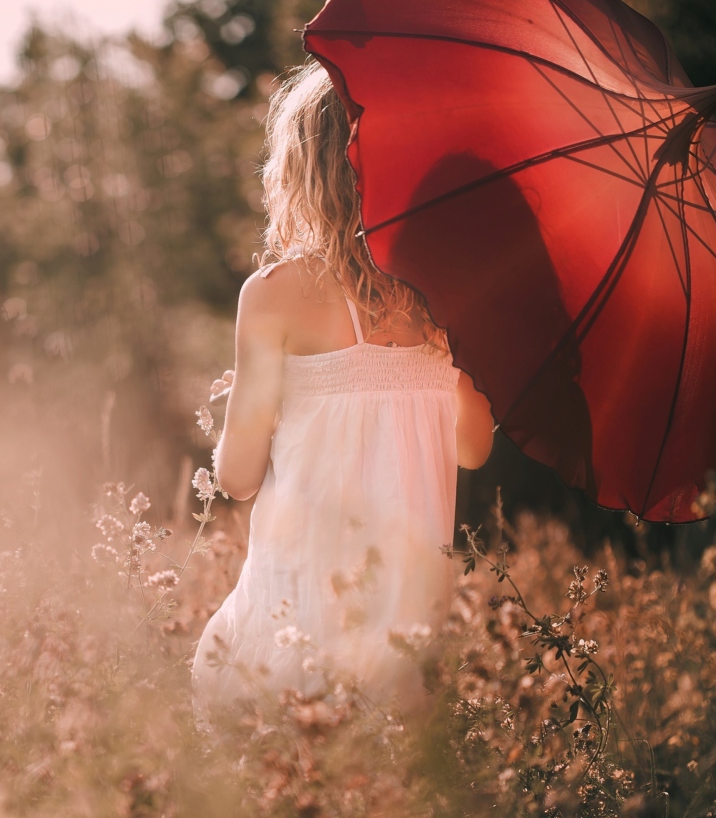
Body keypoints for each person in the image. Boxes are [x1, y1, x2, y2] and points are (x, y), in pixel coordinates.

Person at [191, 62, 494, 721]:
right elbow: (473, 449)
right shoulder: (449, 300)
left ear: (303, 171)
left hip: (293, 617)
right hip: (401, 637)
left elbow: (238, 477)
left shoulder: (274, 297)